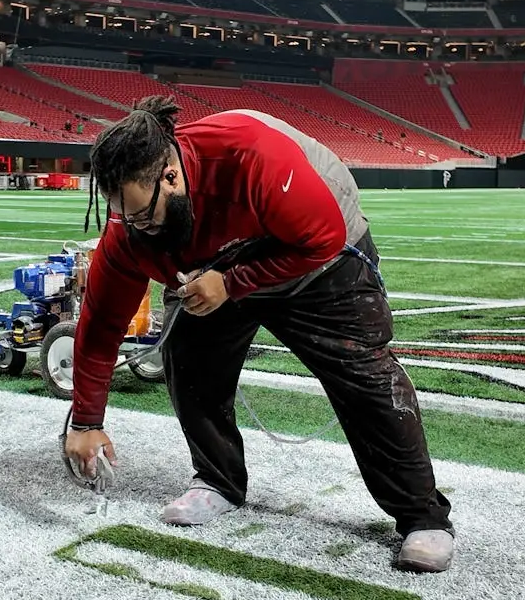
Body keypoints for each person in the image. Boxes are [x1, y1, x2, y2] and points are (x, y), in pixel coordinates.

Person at [62, 96, 456, 573]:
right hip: (214, 266)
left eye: (145, 216)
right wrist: (85, 421)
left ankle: (421, 514)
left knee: (364, 375)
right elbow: (102, 324)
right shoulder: (129, 228)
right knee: (190, 365)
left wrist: (232, 283)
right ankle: (217, 479)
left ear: (171, 177)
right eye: (126, 217)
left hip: (315, 253)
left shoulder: (251, 157)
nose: (136, 228)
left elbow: (322, 236)